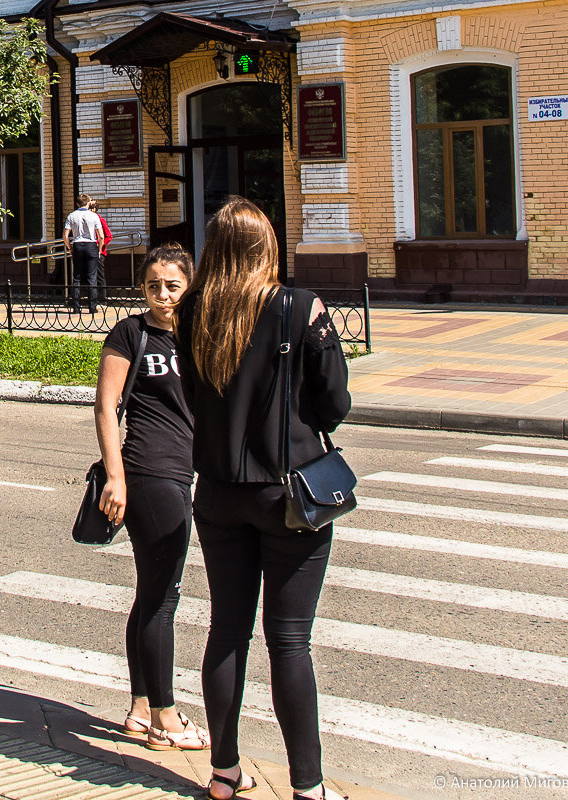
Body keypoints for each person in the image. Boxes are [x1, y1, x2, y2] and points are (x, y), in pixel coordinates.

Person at [176, 197, 351, 800]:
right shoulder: (302, 309)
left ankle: (224, 774)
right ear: (268, 247)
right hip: (291, 498)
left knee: (227, 629)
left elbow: (195, 402)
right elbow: (336, 406)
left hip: (220, 494)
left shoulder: (193, 311)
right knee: (290, 640)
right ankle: (308, 788)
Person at [94, 243, 210, 754]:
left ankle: (140, 709)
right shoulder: (129, 333)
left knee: (149, 594)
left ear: (189, 286)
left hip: (183, 472)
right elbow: (104, 407)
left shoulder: (200, 335)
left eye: (172, 286)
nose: (162, 296)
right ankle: (166, 716)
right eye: (153, 286)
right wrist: (115, 478)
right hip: (147, 473)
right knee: (164, 599)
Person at [62, 193, 104, 313]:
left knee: (77, 277)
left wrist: (69, 247)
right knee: (92, 277)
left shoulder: (72, 215)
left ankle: (76, 307)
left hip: (78, 245)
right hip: (91, 245)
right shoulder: (94, 216)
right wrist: (99, 249)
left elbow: (65, 235)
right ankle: (92, 307)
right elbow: (101, 236)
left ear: (77, 204)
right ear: (88, 203)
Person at [88, 200, 114, 299]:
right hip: (89, 250)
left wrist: (100, 245)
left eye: (90, 209)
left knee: (99, 274)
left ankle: (102, 297)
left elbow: (109, 236)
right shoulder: (88, 219)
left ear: (94, 209)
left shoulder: (100, 220)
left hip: (99, 252)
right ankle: (93, 297)